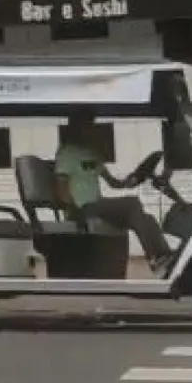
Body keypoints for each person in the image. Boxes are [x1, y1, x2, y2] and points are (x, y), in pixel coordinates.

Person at [55, 114, 173, 270]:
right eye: (87, 126)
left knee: (143, 217)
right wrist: (71, 211)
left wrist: (131, 181)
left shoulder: (91, 153)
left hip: (98, 206)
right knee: (132, 203)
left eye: (91, 126)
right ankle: (157, 256)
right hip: (82, 208)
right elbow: (61, 185)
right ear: (76, 128)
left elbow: (113, 183)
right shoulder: (67, 153)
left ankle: (161, 257)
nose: (92, 130)